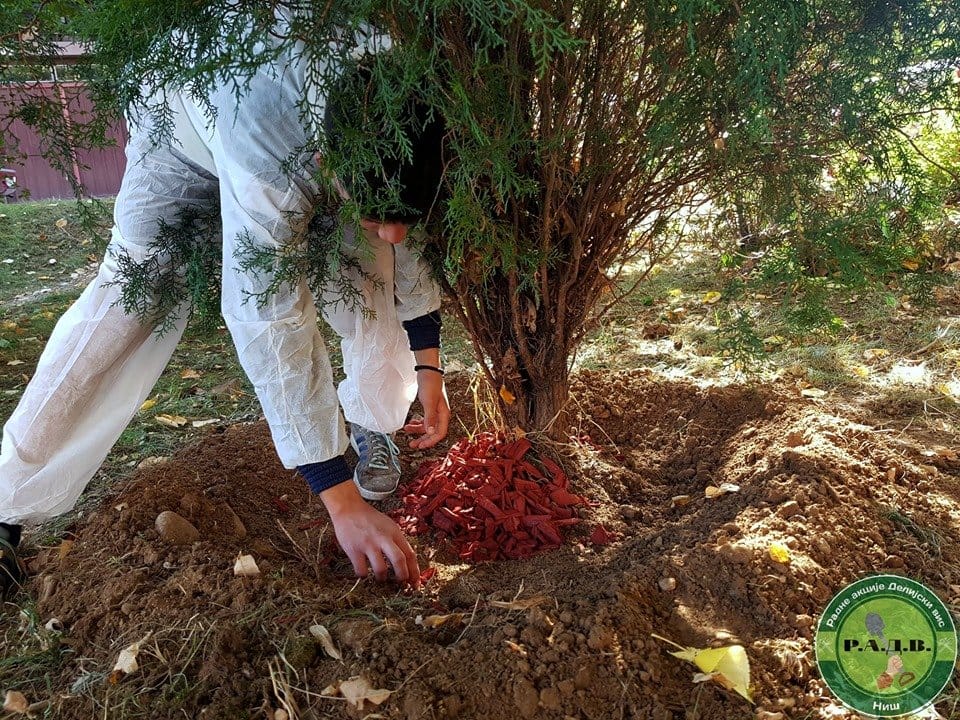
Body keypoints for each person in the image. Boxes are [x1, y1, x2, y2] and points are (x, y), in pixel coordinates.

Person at [0, 24, 449, 596]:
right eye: (374, 209)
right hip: (181, 120)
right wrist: (339, 499)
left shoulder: (400, 93)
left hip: (295, 117)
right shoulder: (268, 143)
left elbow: (403, 242)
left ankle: (372, 422)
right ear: (322, 156)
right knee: (133, 296)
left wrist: (428, 367)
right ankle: (8, 501)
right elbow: (268, 314)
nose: (392, 229)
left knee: (369, 263)